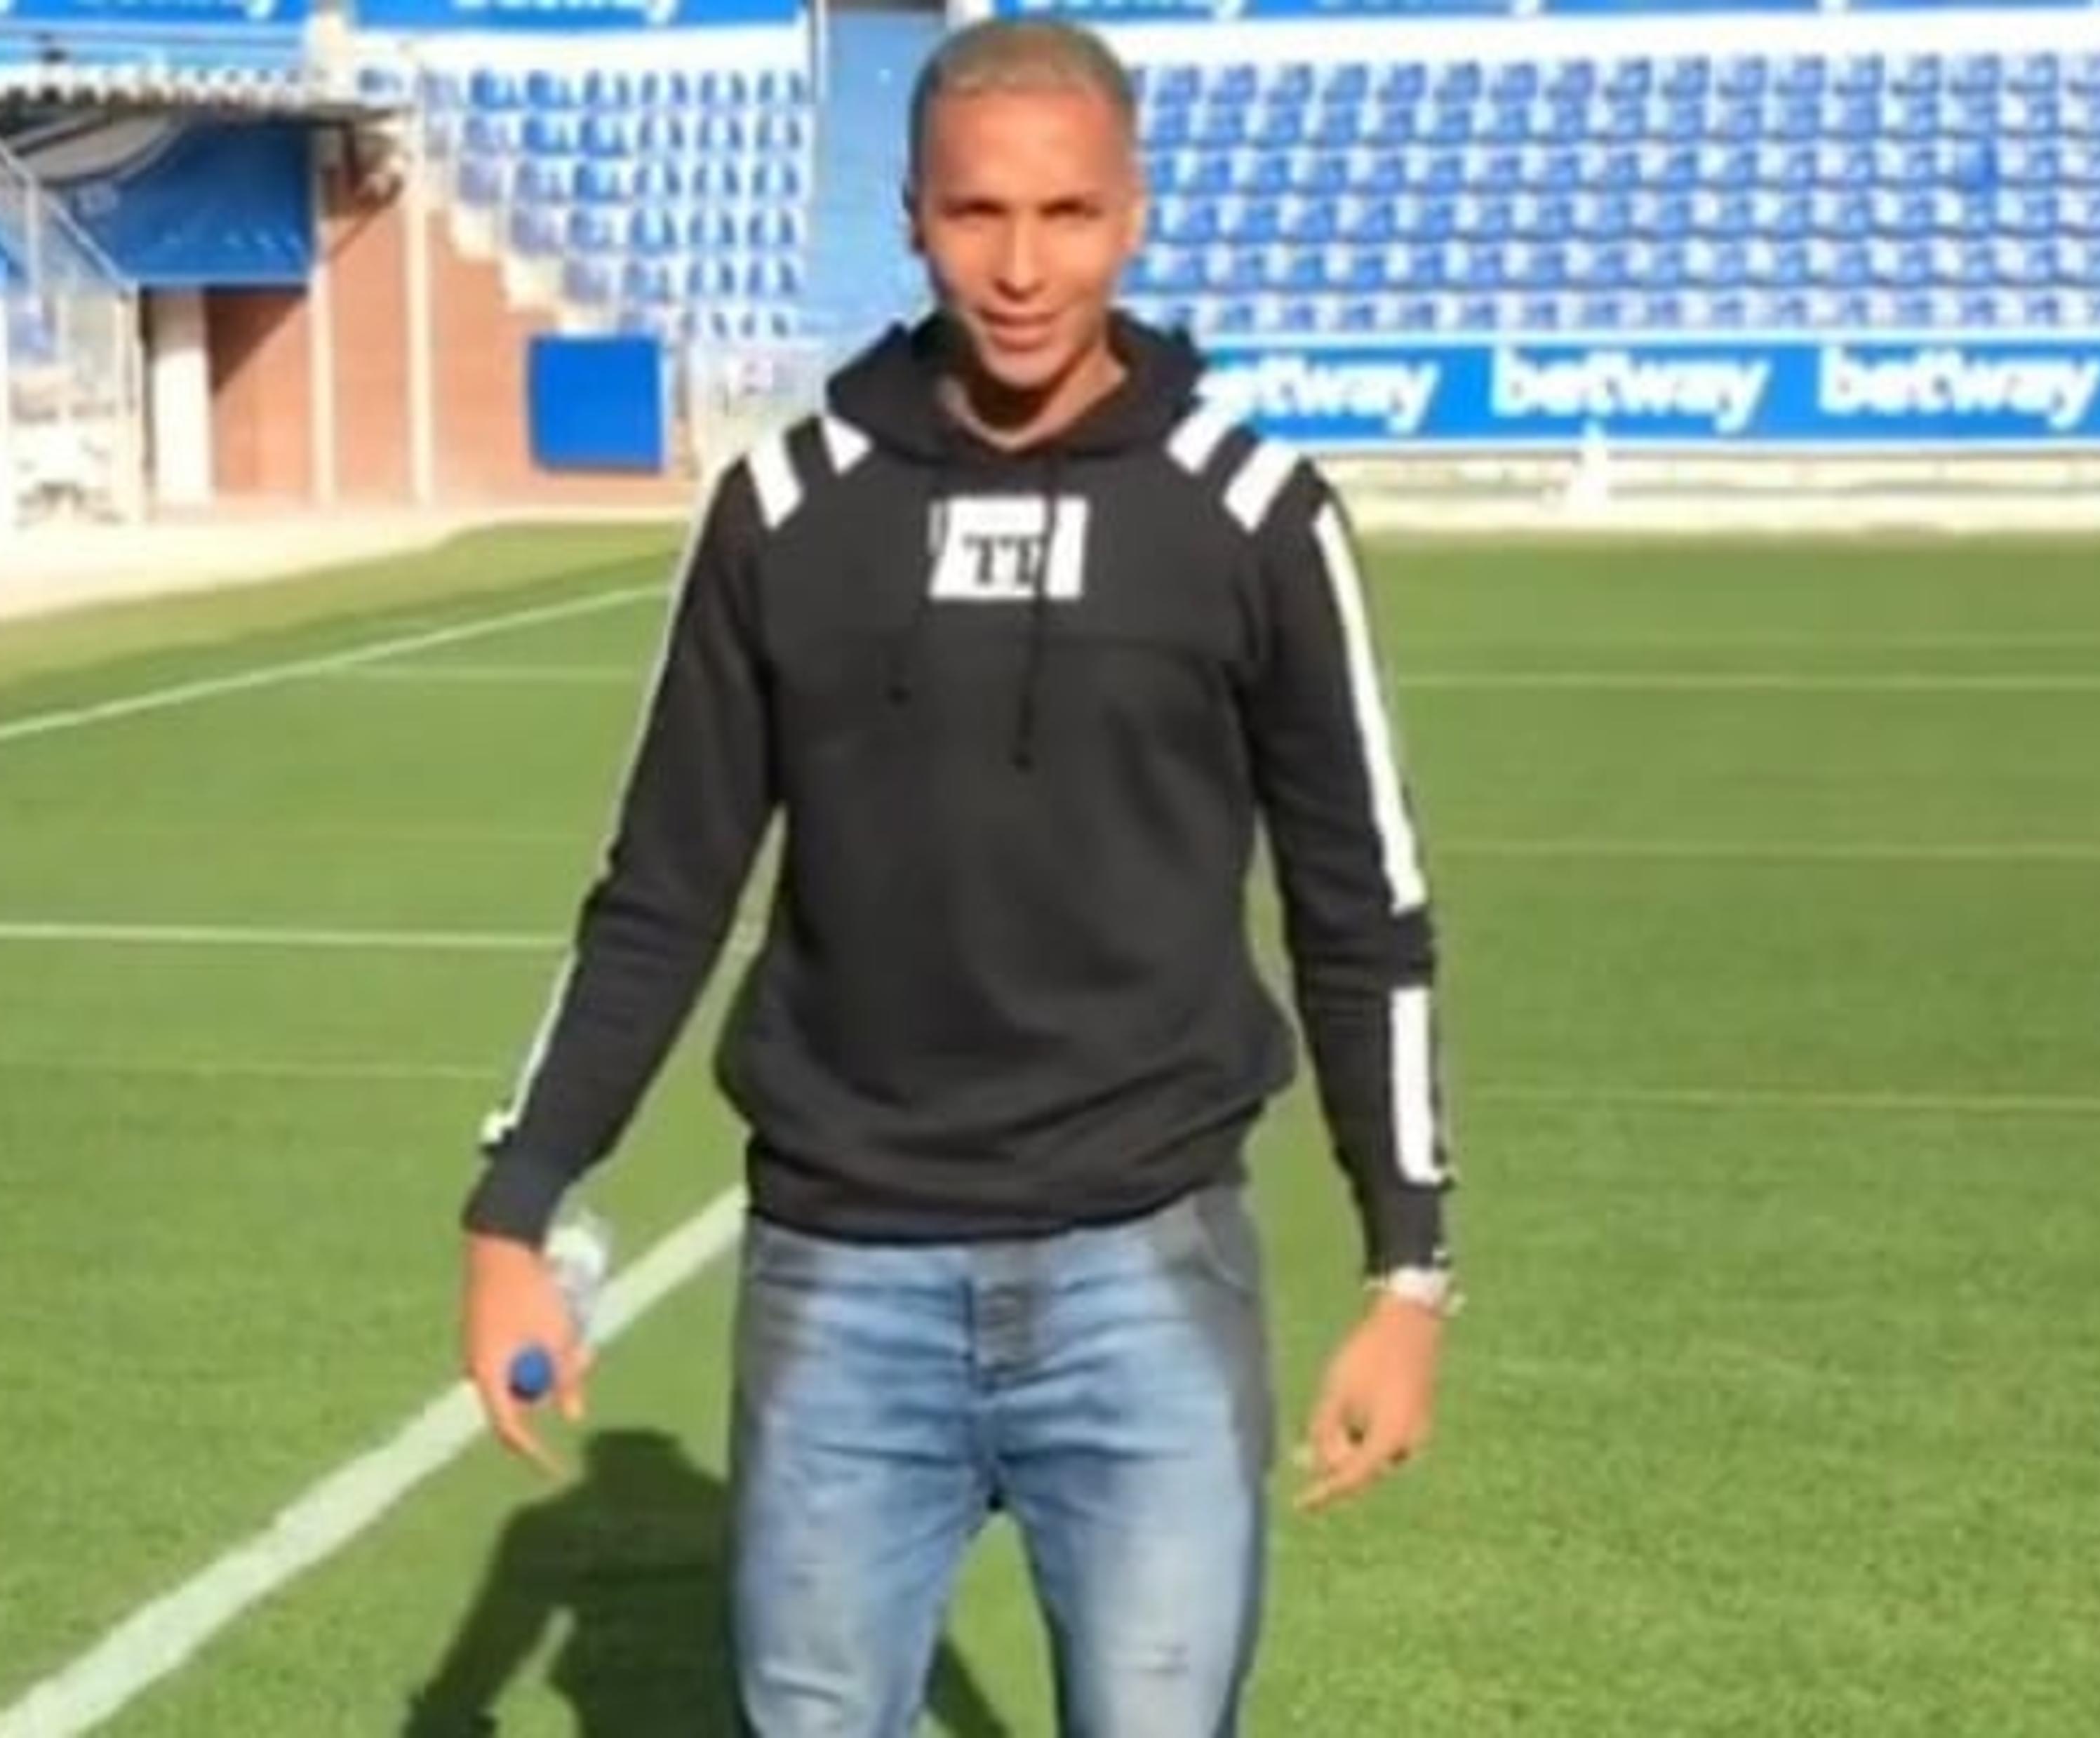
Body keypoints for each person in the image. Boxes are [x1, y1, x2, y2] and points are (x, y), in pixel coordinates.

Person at [456, 15, 1459, 1735]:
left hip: (1149, 1274)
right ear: (910, 216)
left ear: (1132, 214)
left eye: (1065, 215)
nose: (1018, 267)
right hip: (845, 1278)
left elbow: (1364, 912)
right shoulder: (785, 505)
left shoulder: (1258, 517)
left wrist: (1410, 1269)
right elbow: (661, 887)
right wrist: (515, 1202)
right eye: (975, 215)